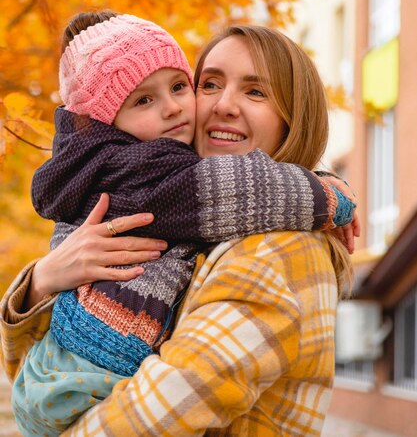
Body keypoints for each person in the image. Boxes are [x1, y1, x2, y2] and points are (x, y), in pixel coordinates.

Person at [1, 22, 358, 436]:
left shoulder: (278, 249)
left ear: (295, 119)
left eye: (255, 91)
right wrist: (43, 280)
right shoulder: (187, 228)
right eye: (209, 84)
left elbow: (156, 416)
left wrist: (326, 195)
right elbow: (26, 365)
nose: (223, 105)